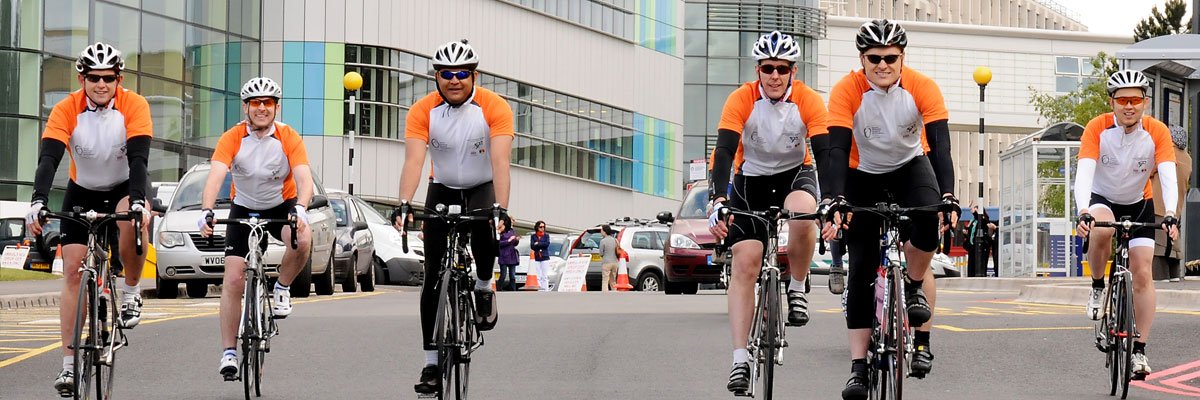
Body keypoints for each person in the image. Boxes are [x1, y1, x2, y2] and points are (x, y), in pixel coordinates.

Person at [815, 20, 958, 399]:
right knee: (861, 266)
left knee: (928, 221)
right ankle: (858, 368)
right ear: (861, 59)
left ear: (902, 58)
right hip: (861, 172)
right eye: (874, 58)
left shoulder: (922, 87)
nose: (882, 65)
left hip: (911, 166)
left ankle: (912, 287)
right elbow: (836, 150)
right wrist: (835, 198)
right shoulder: (847, 89)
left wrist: (948, 195)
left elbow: (941, 147)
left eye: (890, 58)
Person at [24, 42, 153, 397]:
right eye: (93, 78)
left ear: (118, 79)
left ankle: (129, 291)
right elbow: (49, 159)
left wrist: (140, 202)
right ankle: (68, 365)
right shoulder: (66, 108)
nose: (101, 84)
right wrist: (37, 200)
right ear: (82, 78)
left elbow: (139, 159)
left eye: (108, 78)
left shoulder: (134, 105)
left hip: (127, 184)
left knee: (132, 221)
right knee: (72, 271)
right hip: (83, 189)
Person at [705, 30, 828, 394]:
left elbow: (824, 150)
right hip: (751, 180)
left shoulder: (808, 100)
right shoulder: (741, 98)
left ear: (794, 71)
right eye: (768, 68)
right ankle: (740, 359)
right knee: (746, 262)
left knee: (804, 212)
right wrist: (717, 199)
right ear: (757, 69)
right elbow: (725, 150)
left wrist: (833, 200)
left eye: (783, 69)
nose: (775, 76)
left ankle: (799, 285)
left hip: (795, 173)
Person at [392, 39, 513, 395]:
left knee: (485, 231)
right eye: (447, 74)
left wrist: (501, 209)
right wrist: (404, 202)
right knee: (432, 275)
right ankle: (431, 363)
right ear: (436, 77)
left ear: (474, 75)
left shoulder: (494, 107)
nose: (454, 80)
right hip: (442, 187)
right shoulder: (421, 111)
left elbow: (501, 162)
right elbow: (414, 162)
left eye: (462, 73)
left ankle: (482, 286)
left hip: (481, 185)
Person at [195, 76, 314, 380]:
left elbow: (303, 178)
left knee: (302, 236)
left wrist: (300, 208)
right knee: (234, 280)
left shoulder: (288, 136)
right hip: (244, 208)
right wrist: (207, 210)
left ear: (276, 107)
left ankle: (282, 288)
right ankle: (229, 353)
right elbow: (215, 176)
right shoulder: (232, 137)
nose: (262, 108)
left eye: (268, 103)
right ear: (245, 107)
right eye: (255, 103)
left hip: (280, 205)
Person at [1076, 69, 1180, 379]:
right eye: (1122, 100)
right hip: (1103, 198)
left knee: (1143, 273)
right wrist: (1083, 210)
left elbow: (1168, 175)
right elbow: (1083, 171)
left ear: (1145, 102)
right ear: (1112, 102)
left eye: (1135, 99)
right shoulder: (1097, 128)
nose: (1128, 106)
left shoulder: (1157, 132)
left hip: (1140, 202)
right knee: (1102, 226)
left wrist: (1171, 213)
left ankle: (1139, 351)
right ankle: (1097, 286)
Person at [1151, 125, 1191, 282]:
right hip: (1176, 206)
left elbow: (1148, 171)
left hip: (1158, 203)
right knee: (1173, 241)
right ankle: (1174, 274)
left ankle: (1160, 276)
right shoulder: (1188, 159)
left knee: (1158, 242)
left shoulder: (1166, 152)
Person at [497, 215, 520, 291]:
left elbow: (515, 243)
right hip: (503, 255)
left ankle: (513, 289)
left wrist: (516, 240)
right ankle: (499, 288)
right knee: (503, 274)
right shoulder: (500, 232)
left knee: (512, 275)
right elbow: (499, 243)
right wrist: (508, 240)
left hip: (512, 255)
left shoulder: (512, 231)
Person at [529, 220, 552, 291]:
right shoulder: (533, 236)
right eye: (541, 227)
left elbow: (546, 244)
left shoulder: (546, 236)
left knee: (544, 276)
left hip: (544, 257)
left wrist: (538, 243)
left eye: (543, 227)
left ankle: (545, 290)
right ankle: (539, 289)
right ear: (537, 227)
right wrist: (540, 244)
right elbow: (532, 246)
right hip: (536, 257)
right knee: (538, 275)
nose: (542, 228)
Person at [599, 225, 619, 291]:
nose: (600, 231)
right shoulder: (615, 240)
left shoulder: (603, 241)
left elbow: (601, 253)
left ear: (605, 232)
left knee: (605, 280)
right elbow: (618, 250)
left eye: (601, 230)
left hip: (606, 262)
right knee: (613, 281)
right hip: (615, 262)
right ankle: (614, 294)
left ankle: (605, 296)